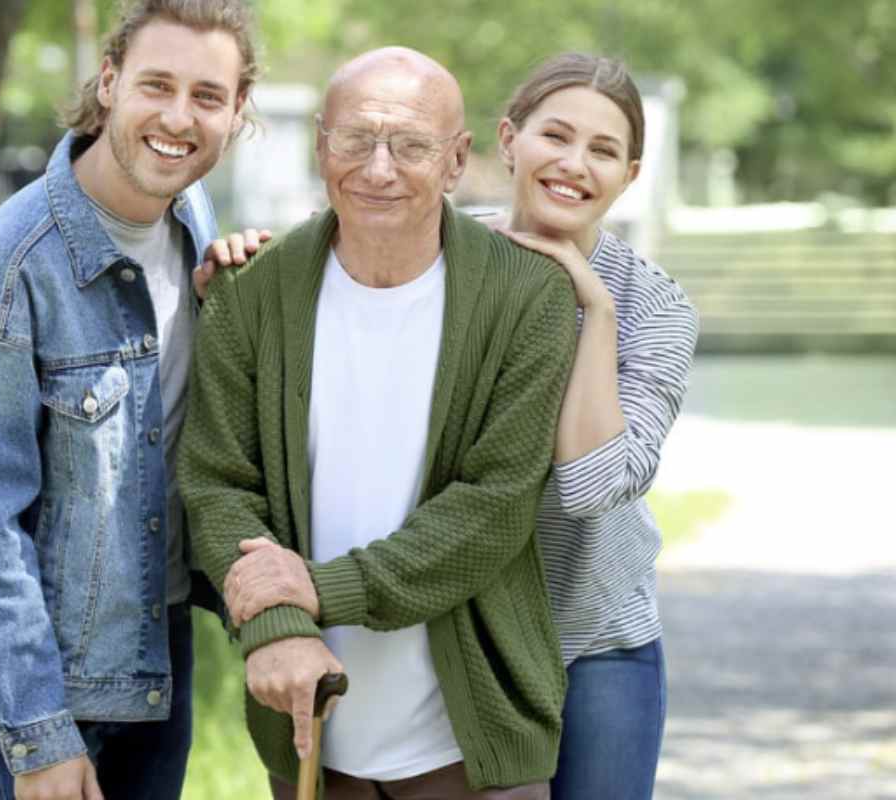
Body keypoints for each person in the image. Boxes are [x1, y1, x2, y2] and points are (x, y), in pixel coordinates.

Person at [179, 47, 579, 799]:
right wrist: (276, 625)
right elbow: (216, 481)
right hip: (308, 730)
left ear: (457, 160)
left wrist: (313, 589)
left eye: (412, 144)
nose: (379, 168)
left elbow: (494, 506)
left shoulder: (530, 298)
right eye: (356, 139)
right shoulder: (248, 292)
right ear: (321, 145)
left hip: (472, 739)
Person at [0, 2, 262, 798]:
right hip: (41, 666)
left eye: (208, 96)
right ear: (108, 83)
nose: (179, 118)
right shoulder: (11, 268)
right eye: (156, 85)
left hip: (152, 638)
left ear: (238, 112)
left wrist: (233, 294)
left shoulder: (191, 215)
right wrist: (38, 735)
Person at [487, 53, 699, 800]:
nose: (574, 165)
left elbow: (591, 483)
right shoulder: (438, 258)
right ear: (509, 138)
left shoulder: (657, 310)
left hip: (598, 639)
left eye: (603, 150)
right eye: (556, 135)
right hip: (463, 635)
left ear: (630, 175)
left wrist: (595, 306)